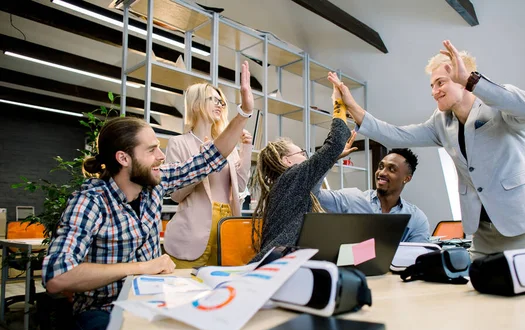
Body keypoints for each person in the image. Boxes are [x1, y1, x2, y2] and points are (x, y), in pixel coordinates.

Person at [42, 61, 254, 330]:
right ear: (124, 159)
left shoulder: (153, 185)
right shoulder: (91, 200)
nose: (161, 157)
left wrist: (243, 111)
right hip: (101, 310)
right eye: (152, 150)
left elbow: (209, 158)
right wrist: (143, 267)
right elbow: (57, 275)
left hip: (151, 301)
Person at [329, 40, 525, 265]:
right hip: (483, 234)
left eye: (440, 83)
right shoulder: (441, 122)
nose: (435, 92)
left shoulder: (499, 106)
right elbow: (396, 135)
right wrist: (351, 106)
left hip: (523, 227)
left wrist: (473, 81)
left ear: (462, 79)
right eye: (432, 86)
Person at [251, 82, 355, 261]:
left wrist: (332, 157)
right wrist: (339, 104)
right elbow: (336, 141)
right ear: (287, 161)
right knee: (365, 254)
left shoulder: (287, 185)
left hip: (288, 260)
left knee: (365, 253)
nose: (306, 158)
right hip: (279, 264)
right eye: (302, 153)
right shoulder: (291, 178)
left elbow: (323, 162)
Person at [163, 82, 252, 268]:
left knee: (221, 288)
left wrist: (246, 148)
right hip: (191, 232)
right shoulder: (178, 143)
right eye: (213, 99)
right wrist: (204, 161)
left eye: (221, 101)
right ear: (196, 104)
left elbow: (241, 186)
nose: (219, 104)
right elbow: (176, 194)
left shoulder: (227, 145)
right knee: (185, 289)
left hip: (227, 226)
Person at [316, 148, 430, 243]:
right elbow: (313, 194)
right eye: (381, 167)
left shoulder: (416, 218)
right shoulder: (352, 199)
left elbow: (418, 257)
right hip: (350, 268)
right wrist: (330, 158)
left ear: (407, 178)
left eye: (391, 169)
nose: (382, 173)